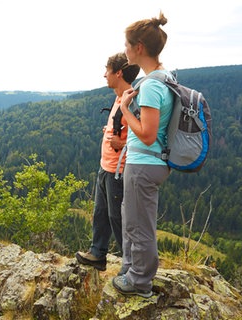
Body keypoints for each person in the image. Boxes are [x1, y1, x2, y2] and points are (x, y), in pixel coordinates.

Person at [111, 11, 174, 298]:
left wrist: (124, 109)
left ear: (139, 48)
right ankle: (131, 269)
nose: (124, 50)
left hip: (144, 164)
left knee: (139, 225)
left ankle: (139, 281)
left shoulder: (150, 85)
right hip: (151, 164)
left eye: (126, 45)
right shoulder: (164, 78)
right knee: (132, 218)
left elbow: (147, 134)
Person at [76, 53, 140, 273]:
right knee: (101, 213)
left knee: (118, 218)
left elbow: (144, 137)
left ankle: (131, 266)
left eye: (107, 69)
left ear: (118, 72)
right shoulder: (118, 97)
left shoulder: (131, 99)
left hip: (118, 172)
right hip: (106, 167)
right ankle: (97, 254)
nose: (104, 74)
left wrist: (120, 142)